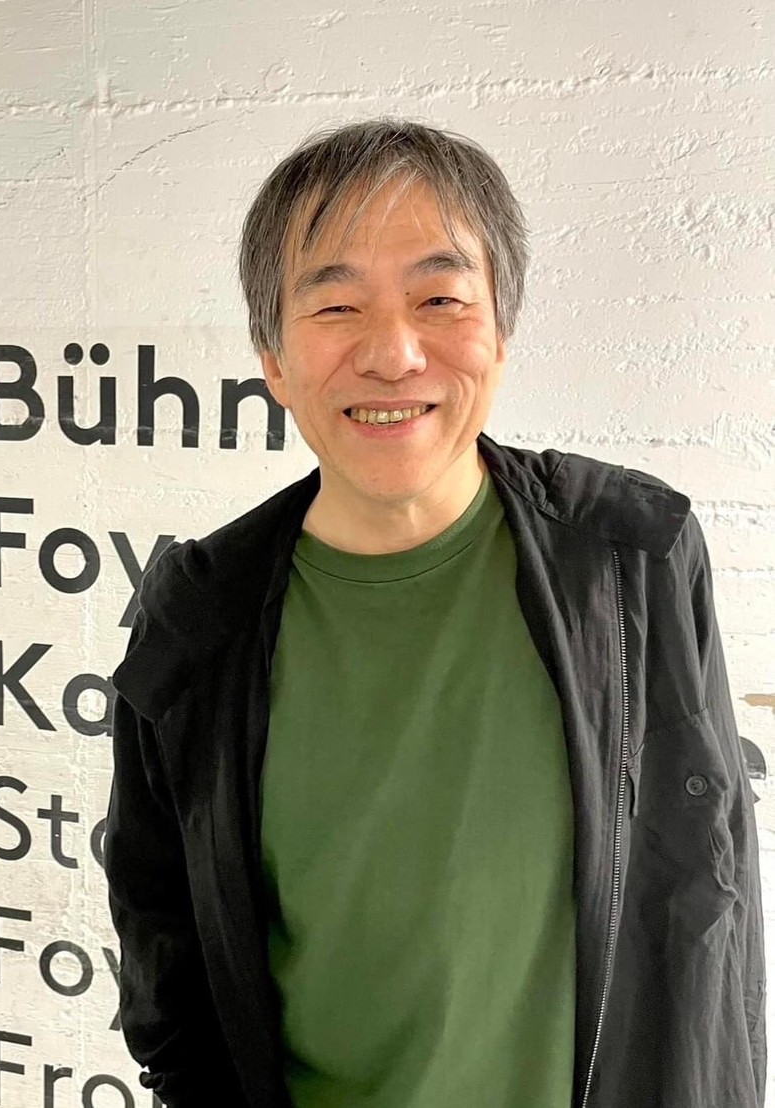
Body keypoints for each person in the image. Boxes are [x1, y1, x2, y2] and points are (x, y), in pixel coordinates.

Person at [103, 118, 766, 1108]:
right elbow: (168, 969)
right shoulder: (196, 620)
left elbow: (709, 905)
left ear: (500, 332)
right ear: (273, 357)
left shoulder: (632, 555)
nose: (393, 352)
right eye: (336, 306)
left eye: (440, 299)